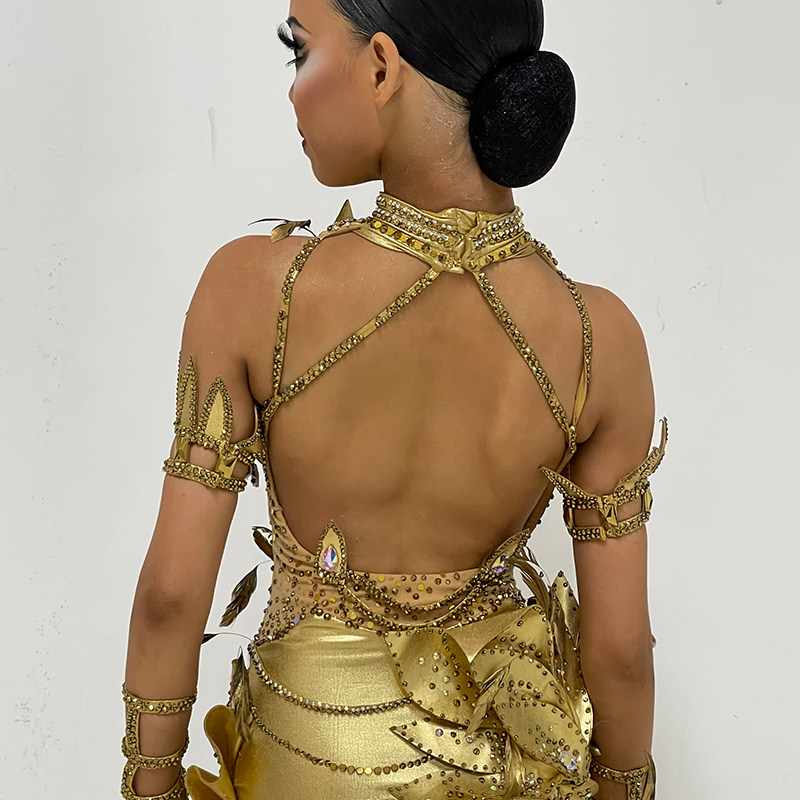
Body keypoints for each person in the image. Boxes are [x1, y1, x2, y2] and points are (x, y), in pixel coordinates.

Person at [121, 1, 666, 798]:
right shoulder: (597, 338)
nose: (293, 90)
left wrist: (152, 782)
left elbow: (171, 599)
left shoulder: (257, 292)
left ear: (380, 66)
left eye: (300, 53)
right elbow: (620, 653)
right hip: (503, 763)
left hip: (305, 758)